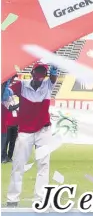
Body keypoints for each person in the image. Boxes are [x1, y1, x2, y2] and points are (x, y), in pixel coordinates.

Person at [5, 64, 58, 207]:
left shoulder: (48, 84)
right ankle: (12, 199)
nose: (40, 75)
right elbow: (7, 93)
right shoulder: (21, 85)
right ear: (32, 72)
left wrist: (54, 68)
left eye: (43, 72)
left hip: (43, 131)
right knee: (18, 165)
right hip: (25, 132)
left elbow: (53, 78)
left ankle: (40, 200)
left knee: (43, 165)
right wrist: (6, 84)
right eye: (38, 71)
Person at [2, 75, 19, 164]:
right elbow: (11, 108)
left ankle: (9, 157)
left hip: (15, 124)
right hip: (8, 124)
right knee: (6, 141)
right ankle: (3, 157)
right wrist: (20, 104)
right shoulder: (5, 100)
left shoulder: (13, 99)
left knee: (12, 142)